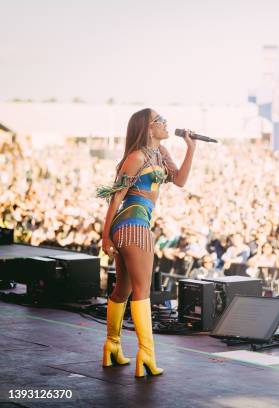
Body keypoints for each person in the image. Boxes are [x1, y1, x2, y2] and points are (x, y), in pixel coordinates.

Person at [97, 108, 196, 377]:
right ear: (148, 128)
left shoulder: (160, 154)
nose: (166, 123)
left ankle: (112, 347)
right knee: (142, 291)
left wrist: (190, 148)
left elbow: (180, 181)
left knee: (123, 289)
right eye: (159, 121)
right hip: (133, 223)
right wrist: (105, 236)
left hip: (135, 224)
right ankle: (147, 356)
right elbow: (116, 198)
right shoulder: (136, 157)